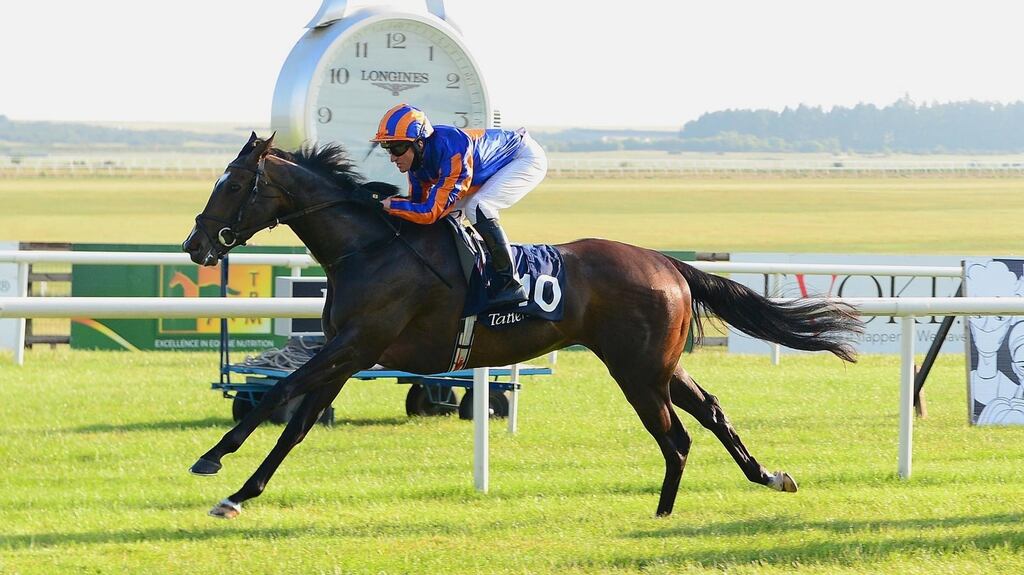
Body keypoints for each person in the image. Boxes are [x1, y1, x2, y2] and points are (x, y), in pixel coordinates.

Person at [370, 103, 548, 307]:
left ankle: (510, 283)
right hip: (486, 169)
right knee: (449, 217)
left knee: (478, 206)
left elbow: (429, 212)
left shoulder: (453, 151)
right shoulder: (416, 165)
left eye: (397, 148)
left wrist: (385, 204)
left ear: (419, 143)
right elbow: (418, 207)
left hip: (523, 158)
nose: (393, 157)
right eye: (387, 148)